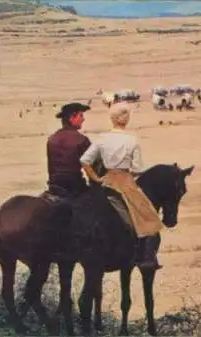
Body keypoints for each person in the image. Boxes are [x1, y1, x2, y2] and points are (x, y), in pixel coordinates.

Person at [80, 102, 164, 270]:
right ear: (126, 119)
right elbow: (137, 169)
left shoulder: (102, 139)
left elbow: (84, 161)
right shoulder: (132, 140)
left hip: (106, 181)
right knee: (149, 217)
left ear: (112, 119)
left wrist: (96, 179)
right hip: (125, 182)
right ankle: (146, 258)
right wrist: (128, 176)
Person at [46, 102, 92, 199]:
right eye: (81, 116)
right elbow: (94, 165)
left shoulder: (52, 139)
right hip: (75, 186)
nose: (83, 119)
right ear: (72, 118)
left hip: (54, 186)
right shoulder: (81, 140)